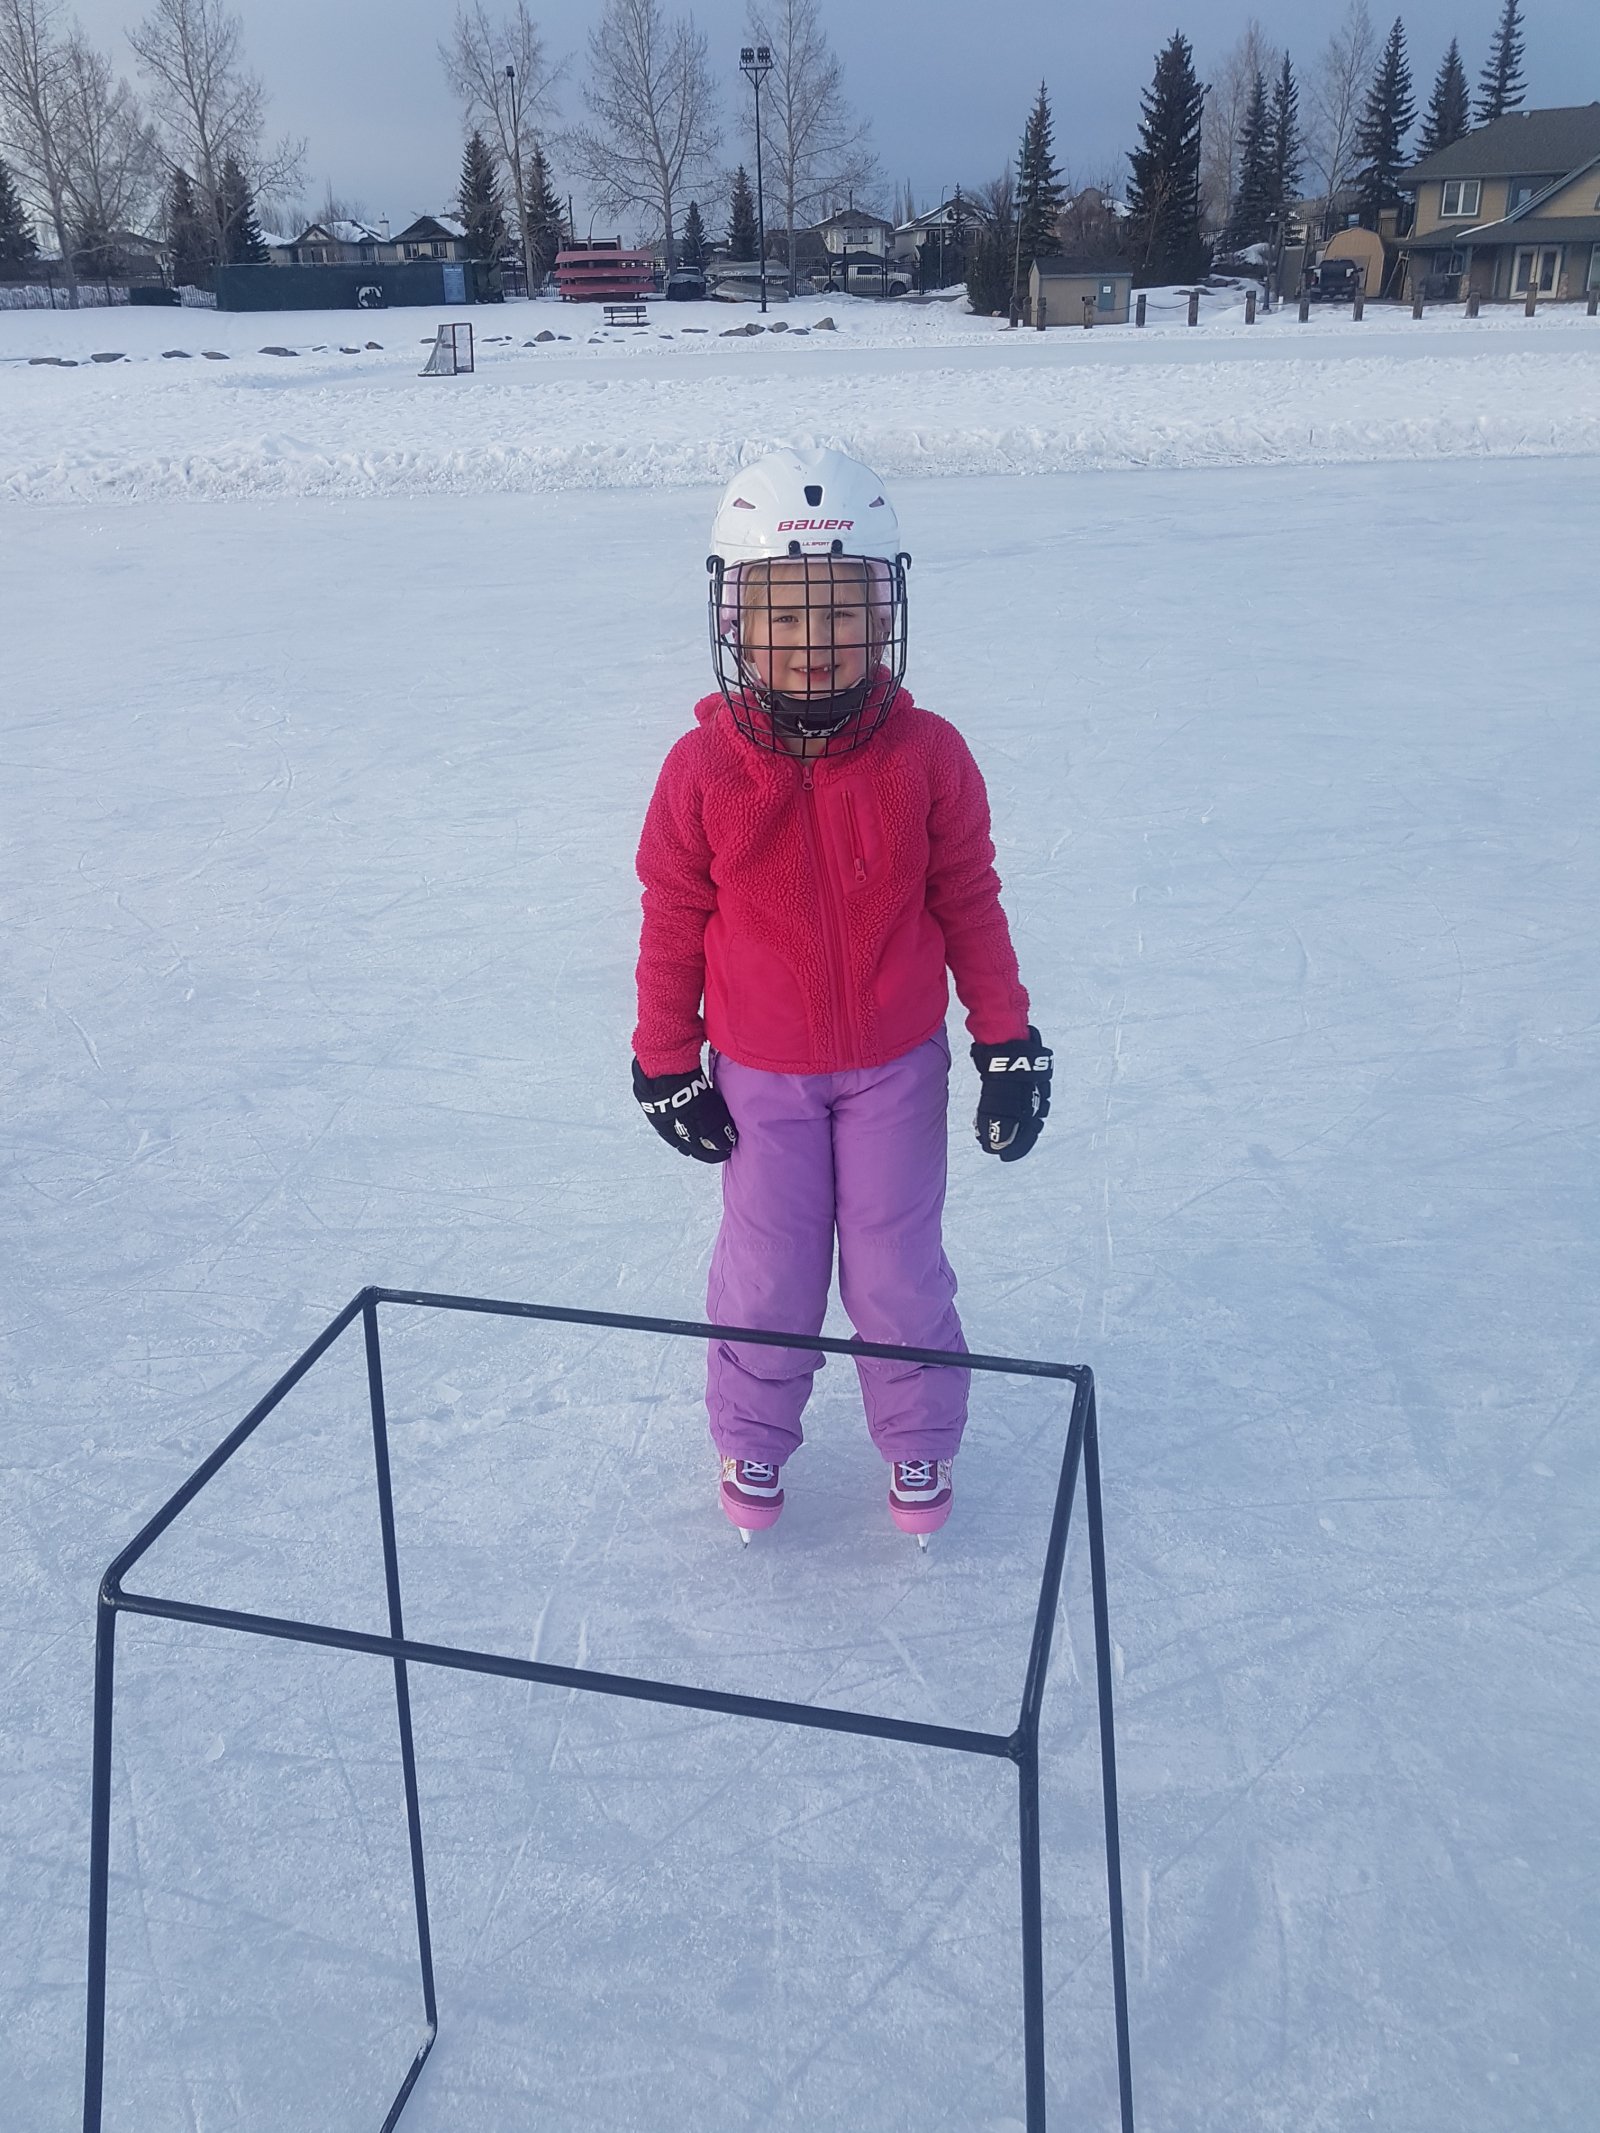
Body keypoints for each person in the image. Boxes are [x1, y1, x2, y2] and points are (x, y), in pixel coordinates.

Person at [631, 446, 1050, 1543]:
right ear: (733, 619)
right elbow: (672, 917)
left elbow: (970, 900)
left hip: (894, 1070)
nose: (813, 644)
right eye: (783, 614)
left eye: (842, 611)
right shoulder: (701, 770)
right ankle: (752, 1438)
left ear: (884, 611)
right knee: (767, 1276)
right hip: (760, 1075)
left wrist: (1005, 1042)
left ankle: (918, 1438)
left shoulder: (928, 755)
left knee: (896, 1267)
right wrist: (665, 1060)